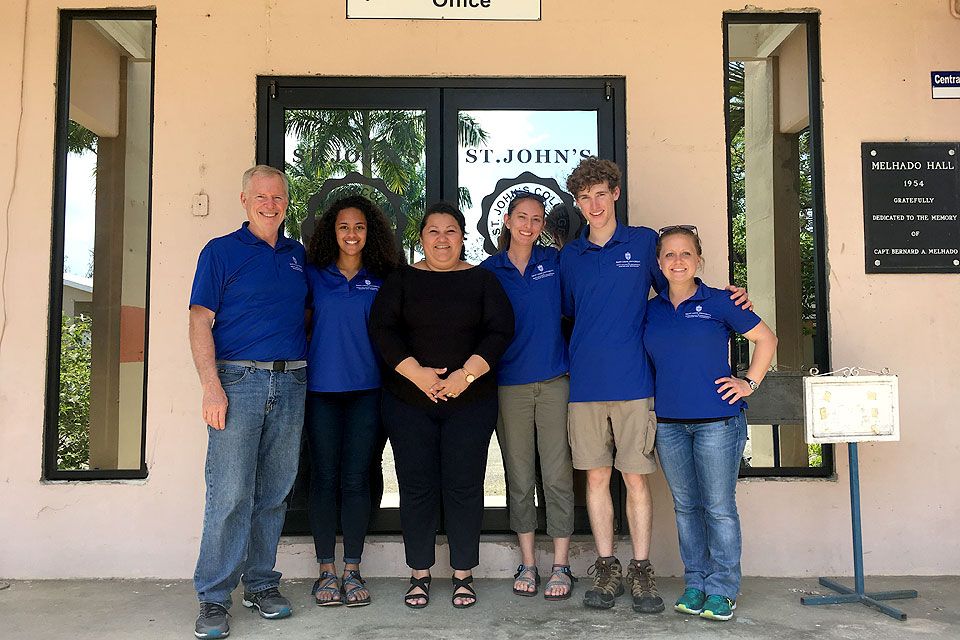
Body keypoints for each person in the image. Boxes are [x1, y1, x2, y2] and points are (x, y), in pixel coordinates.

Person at [558, 157, 751, 614]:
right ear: (578, 203)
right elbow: (569, 312)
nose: (594, 204)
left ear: (616, 193)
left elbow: (679, 281)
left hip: (636, 383)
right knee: (596, 478)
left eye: (601, 194)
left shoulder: (645, 242)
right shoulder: (570, 254)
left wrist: (729, 299)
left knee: (637, 481)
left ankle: (641, 571)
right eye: (584, 198)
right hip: (584, 385)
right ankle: (606, 569)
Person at [369, 202, 514, 609]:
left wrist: (462, 377)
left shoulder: (484, 281)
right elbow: (382, 329)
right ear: (421, 238)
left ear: (463, 237)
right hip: (407, 402)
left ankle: (464, 573)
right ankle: (419, 573)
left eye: (451, 231)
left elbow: (501, 331)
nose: (442, 239)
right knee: (416, 486)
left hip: (471, 403)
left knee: (464, 485)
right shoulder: (400, 280)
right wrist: (420, 375)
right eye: (433, 231)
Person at [189, 165, 308, 639]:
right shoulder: (220, 252)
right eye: (261, 196)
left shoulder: (298, 254)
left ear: (286, 202)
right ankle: (214, 598)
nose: (270, 203)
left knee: (274, 493)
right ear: (244, 200)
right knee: (230, 494)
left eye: (278, 197)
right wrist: (210, 385)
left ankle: (260, 584)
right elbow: (200, 322)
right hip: (237, 382)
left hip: (293, 382)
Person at [644, 225, 777, 622]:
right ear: (659, 263)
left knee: (718, 508)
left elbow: (767, 339)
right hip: (668, 423)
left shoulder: (721, 301)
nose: (678, 261)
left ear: (699, 260)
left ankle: (723, 589)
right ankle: (696, 583)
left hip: (717, 423)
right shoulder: (649, 308)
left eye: (686, 254)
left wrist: (749, 382)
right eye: (669, 254)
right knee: (686, 507)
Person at [480, 191, 576, 600]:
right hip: (508, 385)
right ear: (506, 221)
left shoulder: (554, 264)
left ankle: (560, 564)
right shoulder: (488, 271)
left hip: (555, 381)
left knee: (556, 476)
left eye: (537, 219)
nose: (528, 225)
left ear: (543, 227)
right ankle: (528, 562)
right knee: (518, 477)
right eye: (521, 217)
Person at [303, 195, 399, 607]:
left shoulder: (384, 278)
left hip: (368, 391)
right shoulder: (313, 275)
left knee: (358, 477)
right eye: (344, 226)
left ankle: (353, 568)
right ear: (331, 231)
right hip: (320, 391)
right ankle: (326, 570)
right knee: (324, 477)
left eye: (359, 227)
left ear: (370, 232)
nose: (352, 234)